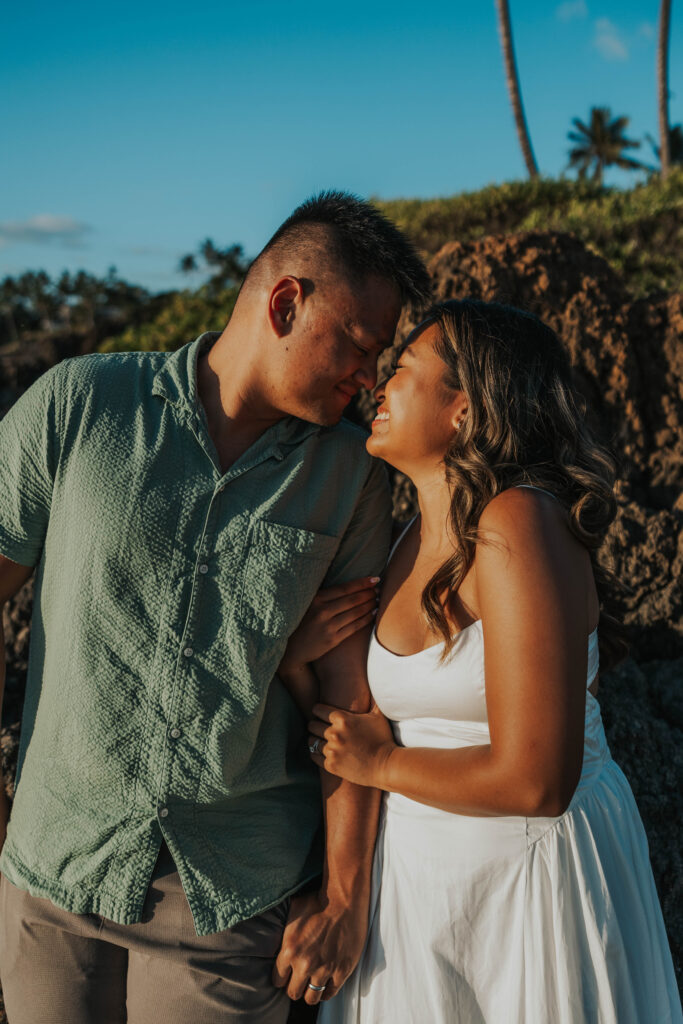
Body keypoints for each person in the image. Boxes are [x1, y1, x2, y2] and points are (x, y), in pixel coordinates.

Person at [0, 190, 431, 1023]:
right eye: (359, 346)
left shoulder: (350, 475)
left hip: (232, 898)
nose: (368, 378)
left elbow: (351, 697)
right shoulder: (79, 405)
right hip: (52, 876)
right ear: (285, 303)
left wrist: (344, 898)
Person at [279, 300, 682, 1023]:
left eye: (401, 368)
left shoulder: (519, 520)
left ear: (462, 410)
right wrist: (296, 663)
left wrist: (379, 768)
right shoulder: (403, 538)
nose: (379, 385)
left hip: (526, 881)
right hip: (420, 887)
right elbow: (362, 724)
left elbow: (537, 781)